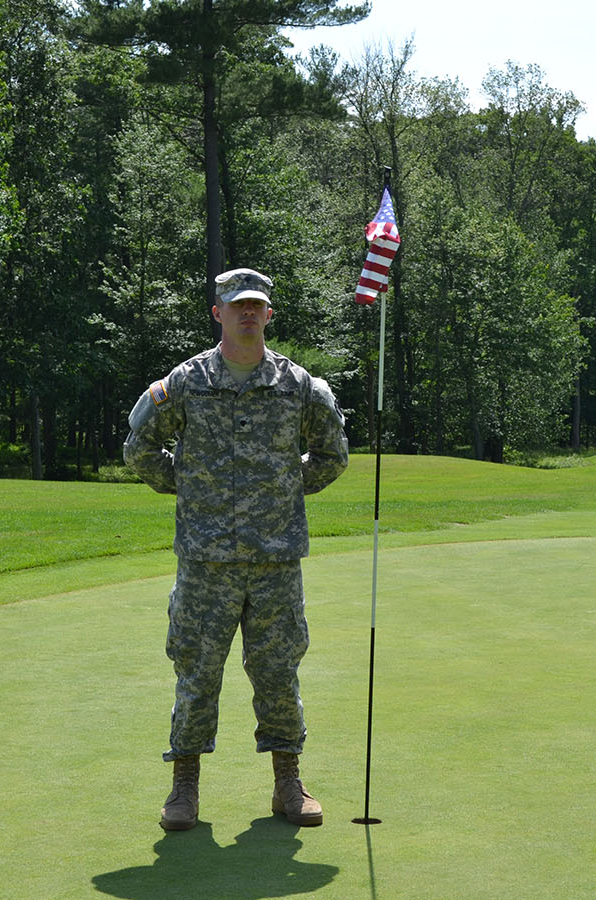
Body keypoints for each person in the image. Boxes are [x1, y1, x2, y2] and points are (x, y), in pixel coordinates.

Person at [123, 267, 349, 831]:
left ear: (269, 315)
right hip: (206, 561)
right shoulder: (186, 382)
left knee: (277, 672)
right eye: (236, 305)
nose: (247, 313)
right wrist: (188, 484)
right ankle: (184, 790)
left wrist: (289, 486)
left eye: (256, 305)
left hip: (275, 561)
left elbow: (333, 455)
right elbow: (139, 446)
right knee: (197, 673)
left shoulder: (299, 387)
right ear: (217, 313)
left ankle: (287, 784)